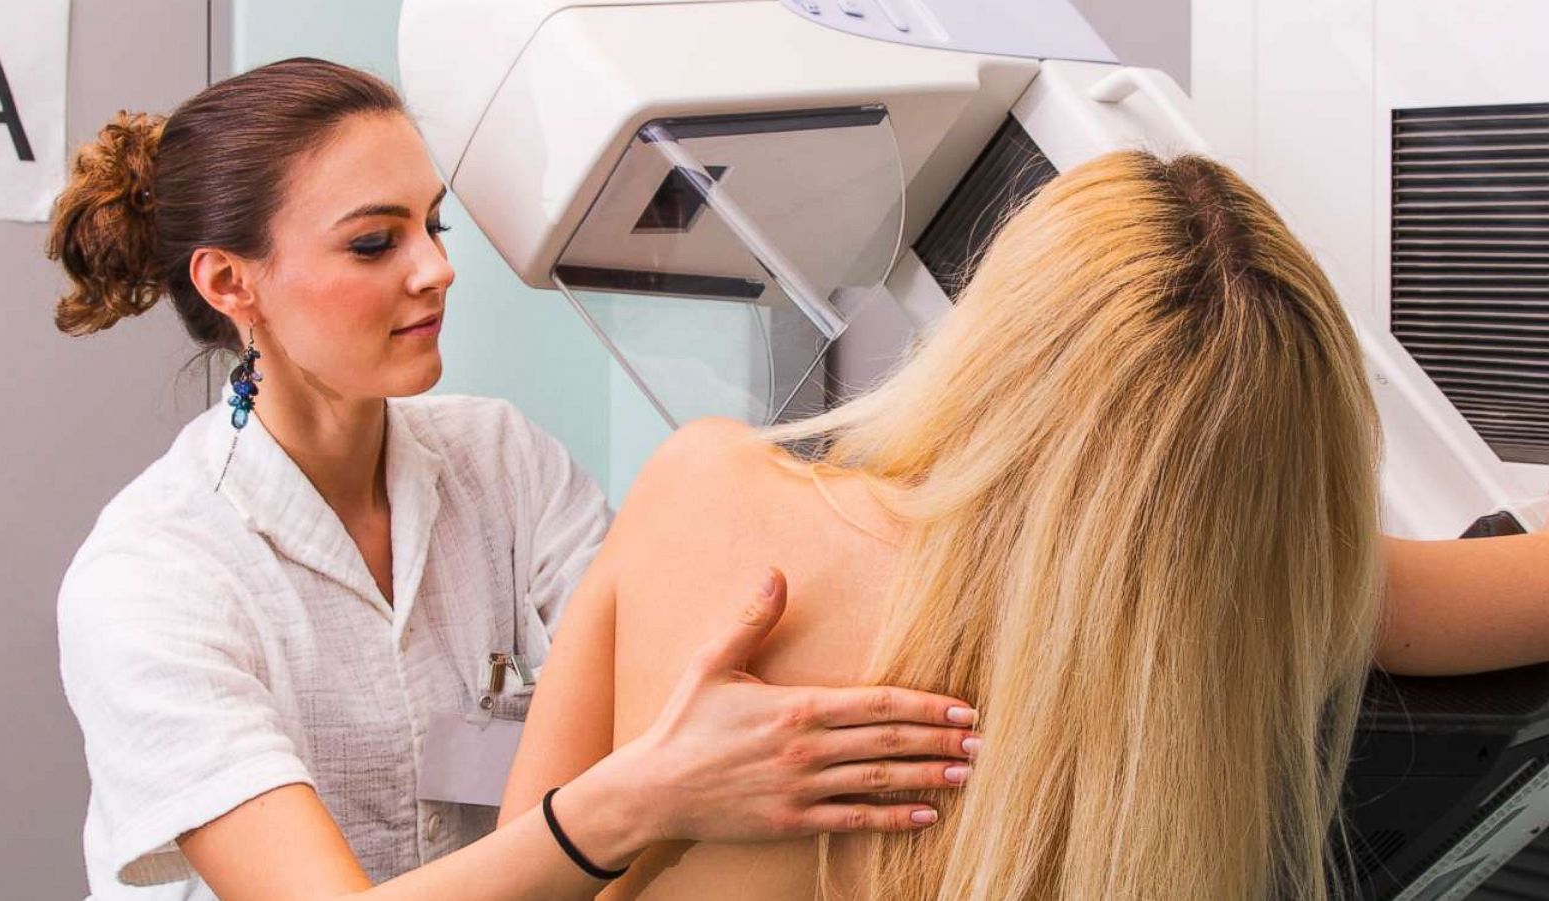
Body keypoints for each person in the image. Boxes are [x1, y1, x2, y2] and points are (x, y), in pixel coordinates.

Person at [51, 58, 979, 901]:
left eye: (434, 223)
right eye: (376, 244)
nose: (439, 269)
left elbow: (664, 674)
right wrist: (640, 799)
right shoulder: (150, 579)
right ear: (228, 283)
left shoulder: (502, 462)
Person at [499, 150, 1411, 900]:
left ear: (994, 337)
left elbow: (520, 868)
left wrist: (635, 807)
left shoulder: (706, 492)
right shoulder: (1258, 592)